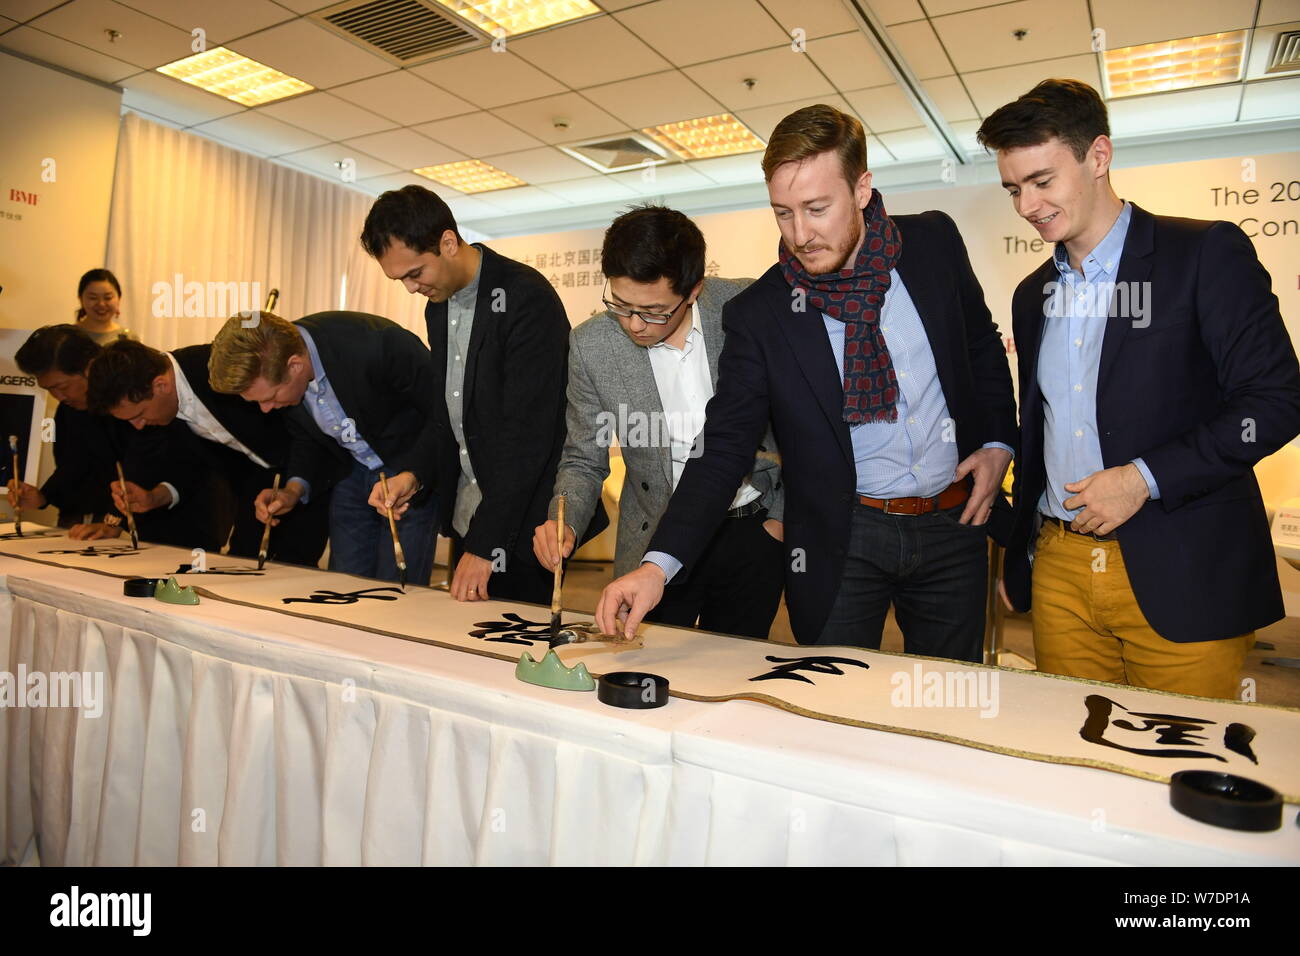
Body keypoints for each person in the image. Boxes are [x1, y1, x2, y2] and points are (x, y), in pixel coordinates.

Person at [595, 104, 1017, 661]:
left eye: (817, 209)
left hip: (953, 522)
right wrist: (657, 566)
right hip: (844, 536)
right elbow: (723, 447)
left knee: (945, 699)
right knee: (834, 705)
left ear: (862, 189)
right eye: (783, 213)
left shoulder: (934, 243)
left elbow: (981, 345)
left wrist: (995, 442)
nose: (800, 234)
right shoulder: (762, 314)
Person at [977, 79, 1300, 699]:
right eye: (1014, 189)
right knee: (1077, 753)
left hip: (1181, 557)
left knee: (1181, 762)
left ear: (1098, 157)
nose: (1026, 205)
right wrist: (1024, 550)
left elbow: (1275, 400)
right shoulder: (1030, 295)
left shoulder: (1203, 253)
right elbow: (1039, 430)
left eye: (1043, 181)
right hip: (1062, 564)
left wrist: (1142, 477)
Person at [535, 205, 784, 638]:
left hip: (753, 526)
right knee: (652, 665)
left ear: (694, 290)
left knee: (736, 666)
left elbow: (799, 420)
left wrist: (781, 518)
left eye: (653, 311)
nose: (634, 324)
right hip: (655, 531)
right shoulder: (591, 345)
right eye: (620, 304)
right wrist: (566, 518)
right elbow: (583, 458)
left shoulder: (746, 308)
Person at [361, 185, 587, 604]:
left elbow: (527, 437)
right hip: (471, 516)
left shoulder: (524, 297)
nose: (410, 288)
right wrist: (412, 474)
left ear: (448, 242)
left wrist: (486, 544)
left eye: (415, 273)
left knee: (512, 654)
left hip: (524, 528)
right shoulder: (439, 304)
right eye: (400, 279)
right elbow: (448, 414)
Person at [208, 310, 440, 585]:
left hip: (410, 465)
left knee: (398, 585)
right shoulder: (280, 364)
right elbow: (307, 438)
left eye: (270, 397)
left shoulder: (377, 344)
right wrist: (293, 490)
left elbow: (445, 415)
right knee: (344, 584)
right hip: (350, 471)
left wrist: (413, 474)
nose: (266, 409)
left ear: (295, 366)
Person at [85, 338, 329, 566]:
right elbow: (191, 464)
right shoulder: (159, 404)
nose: (138, 426)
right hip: (256, 490)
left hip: (315, 470)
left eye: (139, 415)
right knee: (243, 570)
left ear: (161, 385)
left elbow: (304, 426)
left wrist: (296, 486)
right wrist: (155, 496)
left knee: (296, 574)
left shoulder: (225, 366)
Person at [9, 325, 125, 538]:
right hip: (84, 520)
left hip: (146, 523)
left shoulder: (130, 399)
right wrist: (43, 496)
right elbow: (72, 464)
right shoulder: (69, 408)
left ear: (90, 368)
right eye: (49, 390)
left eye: (61, 387)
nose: (58, 397)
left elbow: (146, 466)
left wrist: (114, 519)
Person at [74, 269, 134, 346]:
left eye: (108, 298)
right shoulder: (68, 337)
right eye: (93, 298)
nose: (101, 304)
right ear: (81, 299)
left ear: (119, 298)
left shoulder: (128, 338)